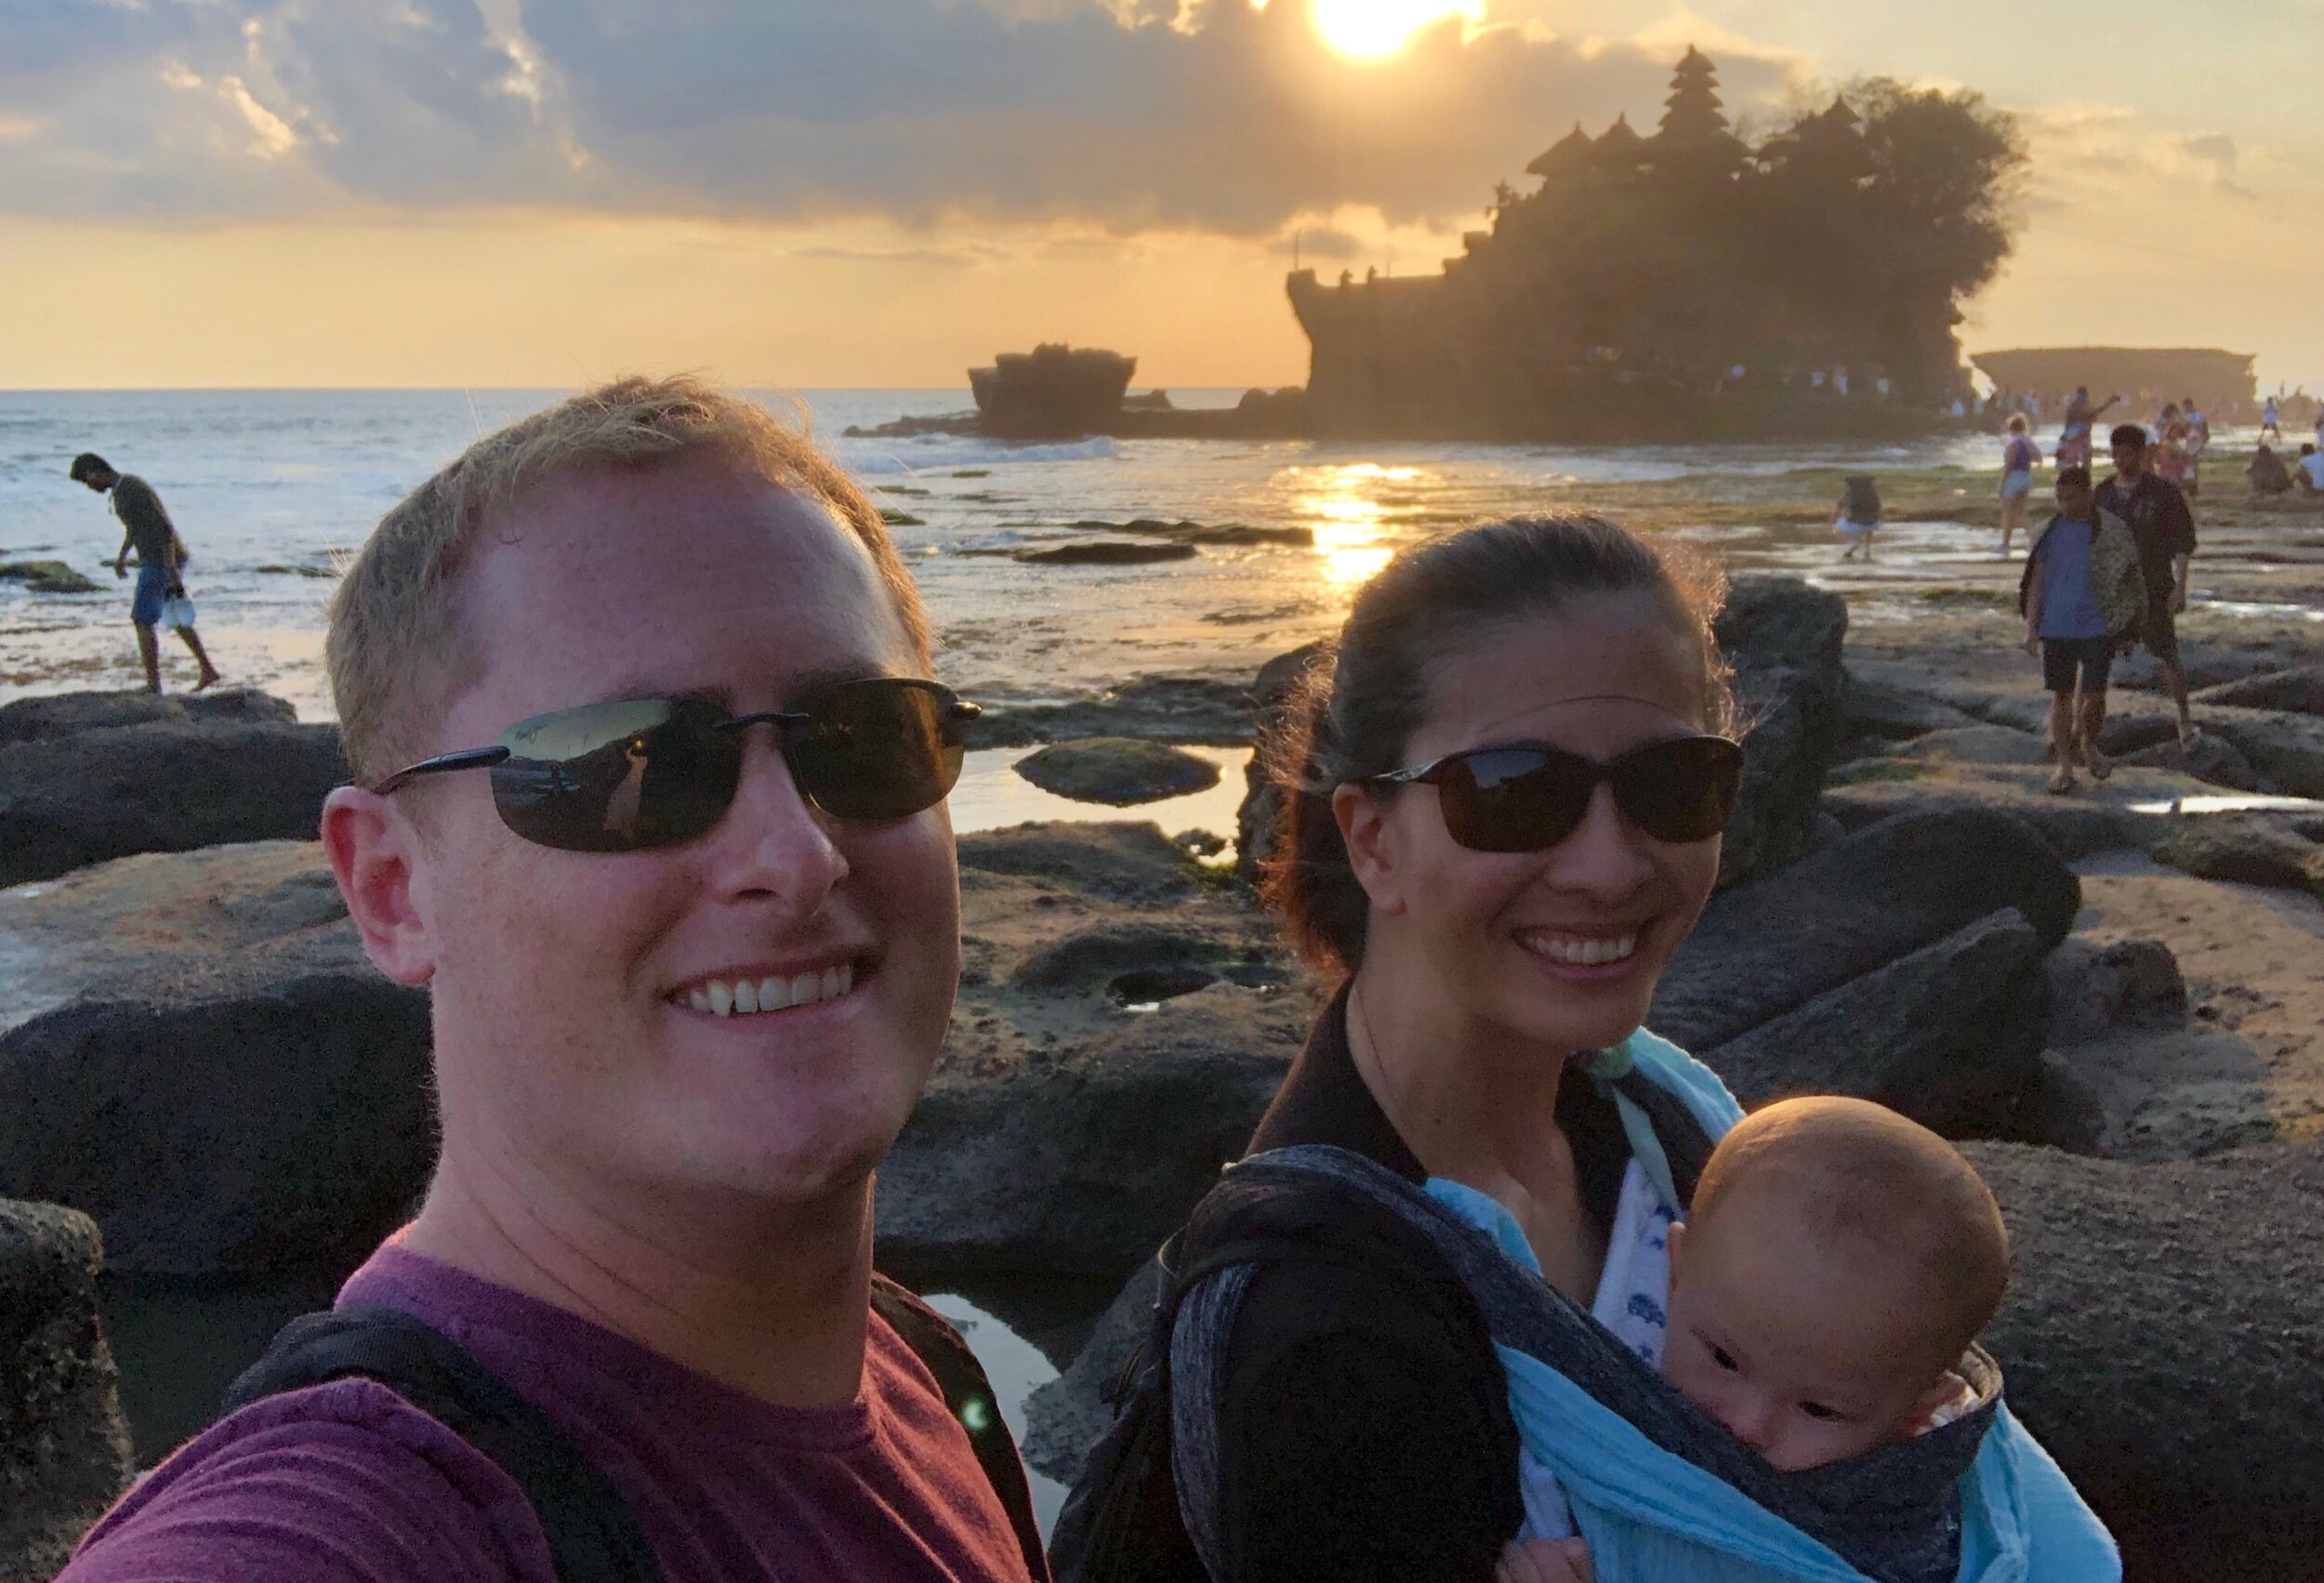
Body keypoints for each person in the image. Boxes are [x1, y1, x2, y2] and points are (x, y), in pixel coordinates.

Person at [59, 377, 1047, 1583]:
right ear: (390, 888)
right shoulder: (357, 1530)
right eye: (630, 765)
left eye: (868, 736)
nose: (795, 855)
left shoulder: (925, 1377)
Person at [1050, 514, 2116, 1583]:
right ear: (1371, 835)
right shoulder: (1324, 1342)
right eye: (1515, 790)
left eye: (1672, 783)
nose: (1608, 867)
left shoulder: (1661, 1126)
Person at [1494, 1098, 2011, 1583]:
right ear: (1675, 1278)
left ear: (1918, 1414)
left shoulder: (1903, 1524)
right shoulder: (1599, 1390)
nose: (1745, 1425)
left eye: (1818, 1409)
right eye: (1722, 1358)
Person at [2018, 468, 2142, 795]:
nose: (2064, 504)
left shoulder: (2111, 531)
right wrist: (2031, 627)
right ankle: (2064, 763)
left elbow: (2129, 581)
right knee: (2061, 696)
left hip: (2099, 624)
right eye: (2059, 498)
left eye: (2071, 497)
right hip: (2056, 625)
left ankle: (2090, 745)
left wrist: (2130, 627)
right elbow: (2036, 582)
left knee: (2095, 696)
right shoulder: (2048, 532)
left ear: (2088, 493)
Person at [67, 452, 221, 694]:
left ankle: (153, 685)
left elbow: (163, 525)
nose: (89, 487)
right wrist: (122, 557)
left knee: (142, 619)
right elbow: (134, 527)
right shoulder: (120, 490)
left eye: (87, 481)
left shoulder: (131, 487)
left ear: (93, 471)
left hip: (161, 560)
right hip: (158, 558)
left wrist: (170, 568)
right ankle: (208, 670)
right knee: (176, 617)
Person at [2095, 423, 2199, 751]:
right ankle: (2089, 729)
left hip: (2154, 582)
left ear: (2141, 455)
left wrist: (2179, 588)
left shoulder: (2163, 493)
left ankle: (2183, 718)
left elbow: (2183, 542)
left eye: (2127, 454)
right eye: (2116, 454)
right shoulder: (2103, 494)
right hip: (2114, 588)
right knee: (2097, 656)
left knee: (2167, 653)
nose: (2120, 460)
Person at [1997, 416, 2041, 557]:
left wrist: (2002, 482)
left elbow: (2009, 464)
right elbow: (2038, 458)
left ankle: (2005, 544)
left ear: (2012, 429)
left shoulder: (2014, 442)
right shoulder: (2028, 441)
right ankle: (2034, 537)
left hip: (2014, 478)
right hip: (2026, 477)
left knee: (2008, 512)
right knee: (2020, 512)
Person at [2053, 388, 2118, 473]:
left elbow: (2094, 413)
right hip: (2079, 438)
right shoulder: (2081, 406)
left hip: (2073, 438)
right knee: (2083, 464)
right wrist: (2109, 402)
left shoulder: (2075, 405)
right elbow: (2095, 412)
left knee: (2075, 464)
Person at [1832, 475, 1882, 561]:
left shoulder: (1850, 495)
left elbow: (1838, 510)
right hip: (1873, 524)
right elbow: (1880, 509)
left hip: (1855, 524)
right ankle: (1867, 549)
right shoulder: (1873, 495)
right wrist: (1880, 520)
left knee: (1835, 528)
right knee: (1869, 529)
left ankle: (1853, 543)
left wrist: (1832, 521)